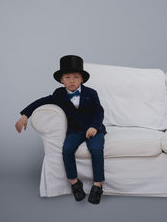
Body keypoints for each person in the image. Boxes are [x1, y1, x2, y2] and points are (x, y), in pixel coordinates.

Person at [15, 55, 106, 204]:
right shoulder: (59, 94)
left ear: (82, 79)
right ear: (61, 80)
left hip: (93, 129)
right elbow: (42, 101)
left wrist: (95, 126)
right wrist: (26, 114)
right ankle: (74, 183)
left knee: (96, 149)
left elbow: (99, 112)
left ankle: (97, 185)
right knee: (67, 149)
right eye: (67, 77)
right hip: (75, 130)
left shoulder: (91, 93)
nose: (72, 80)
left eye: (76, 77)